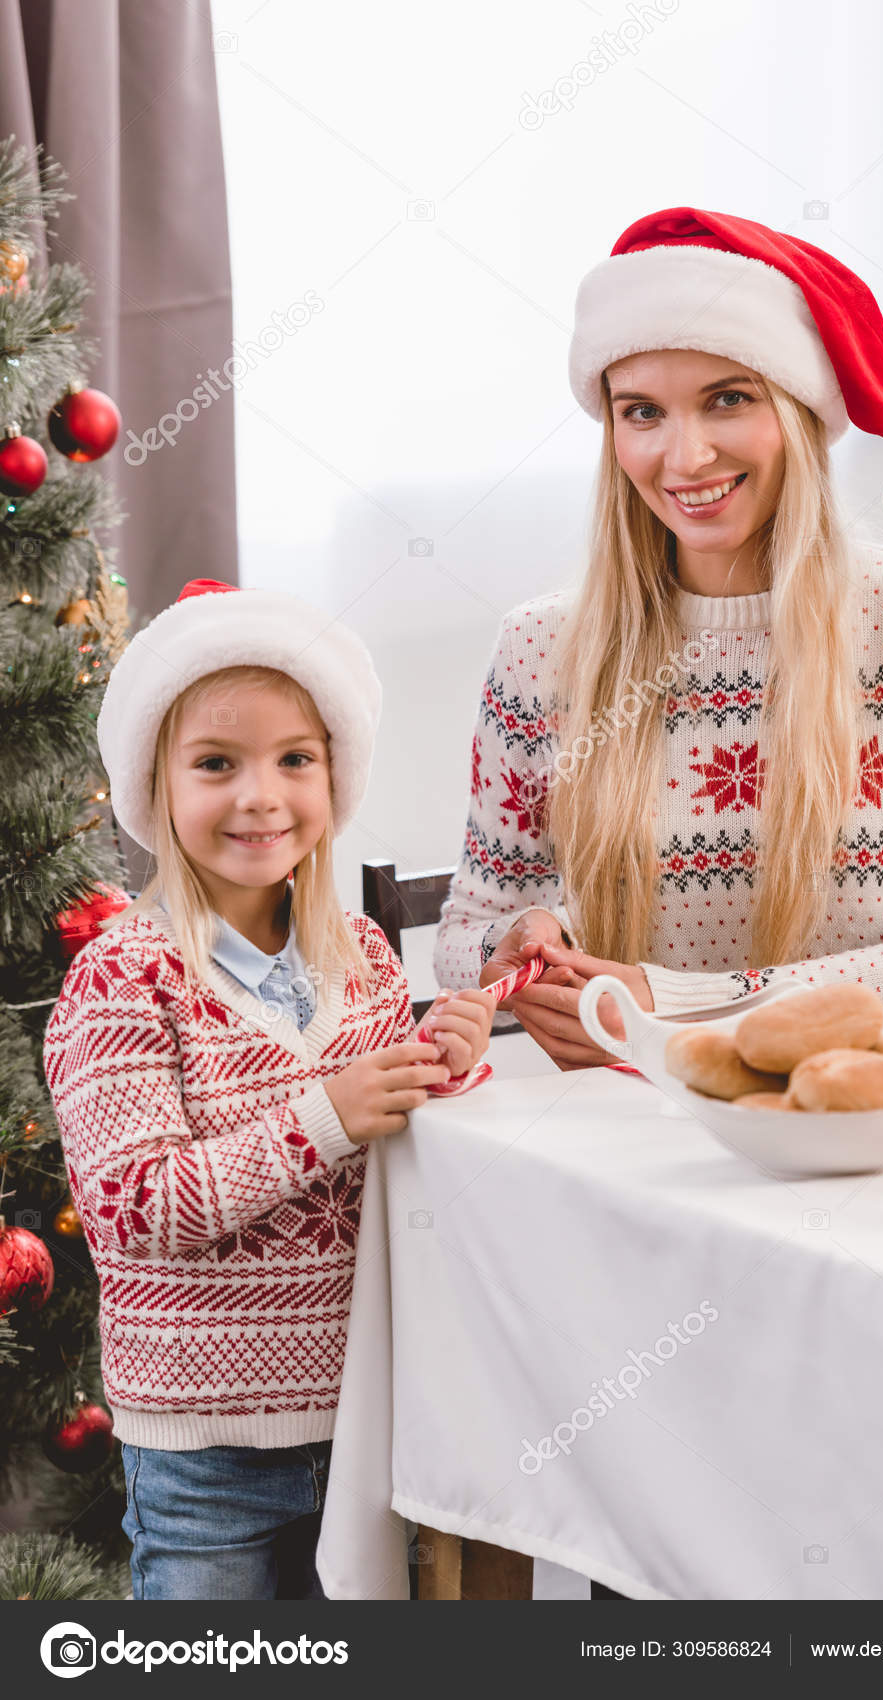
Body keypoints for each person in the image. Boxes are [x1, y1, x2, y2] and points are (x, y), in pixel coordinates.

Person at [433, 207, 883, 1068]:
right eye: (642, 412)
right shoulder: (538, 649)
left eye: (728, 400)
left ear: (800, 412)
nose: (685, 456)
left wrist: (682, 1007)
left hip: (834, 1104)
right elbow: (463, 936)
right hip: (618, 1113)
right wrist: (519, 940)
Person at [42, 577, 494, 1599]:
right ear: (153, 788)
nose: (261, 795)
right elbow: (134, 1206)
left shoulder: (367, 957)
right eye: (215, 763)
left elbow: (381, 1148)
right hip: (210, 1455)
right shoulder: (123, 976)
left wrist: (442, 1065)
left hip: (370, 1419)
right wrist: (331, 1110)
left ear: (335, 775)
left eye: (296, 758)